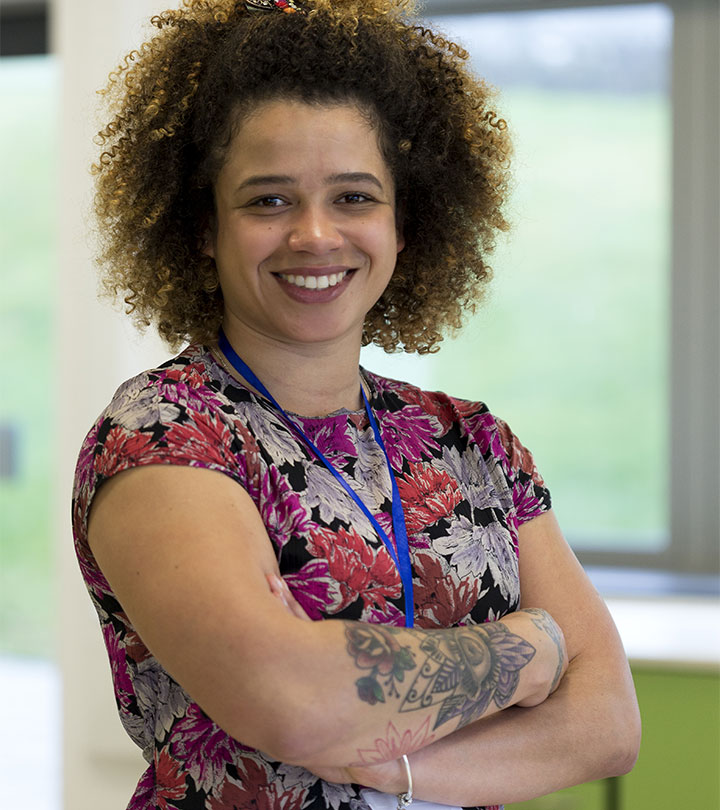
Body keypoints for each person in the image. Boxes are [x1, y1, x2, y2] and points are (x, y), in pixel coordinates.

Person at [72, 0, 641, 808]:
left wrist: (383, 764)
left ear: (405, 223)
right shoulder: (165, 435)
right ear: (204, 228)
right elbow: (291, 703)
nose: (314, 235)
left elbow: (608, 723)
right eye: (268, 201)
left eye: (354, 197)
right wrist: (534, 648)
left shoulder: (472, 442)